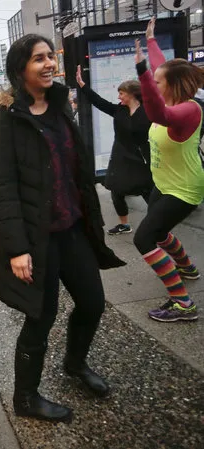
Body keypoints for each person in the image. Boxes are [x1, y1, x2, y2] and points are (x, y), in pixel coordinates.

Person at [0, 34, 126, 424]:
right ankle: (25, 398)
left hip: (72, 228)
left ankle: (74, 363)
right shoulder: (5, 118)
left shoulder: (62, 107)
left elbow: (74, 169)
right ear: (20, 69)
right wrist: (16, 248)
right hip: (36, 238)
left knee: (93, 302)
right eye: (38, 59)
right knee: (40, 318)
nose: (49, 64)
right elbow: (5, 188)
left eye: (51, 57)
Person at [133, 17, 204, 322]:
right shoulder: (171, 92)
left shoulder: (188, 109)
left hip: (184, 189)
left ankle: (183, 304)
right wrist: (151, 40)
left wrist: (142, 73)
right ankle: (187, 268)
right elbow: (164, 68)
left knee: (144, 238)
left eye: (158, 82)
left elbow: (157, 112)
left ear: (171, 85)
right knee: (159, 233)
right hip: (163, 184)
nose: (154, 84)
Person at [76, 66, 153, 235]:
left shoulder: (148, 111)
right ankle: (124, 224)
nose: (119, 97)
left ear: (132, 94)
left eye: (122, 93)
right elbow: (98, 102)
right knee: (116, 190)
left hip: (141, 157)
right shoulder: (119, 110)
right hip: (121, 156)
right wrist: (82, 85)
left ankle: (158, 222)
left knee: (147, 189)